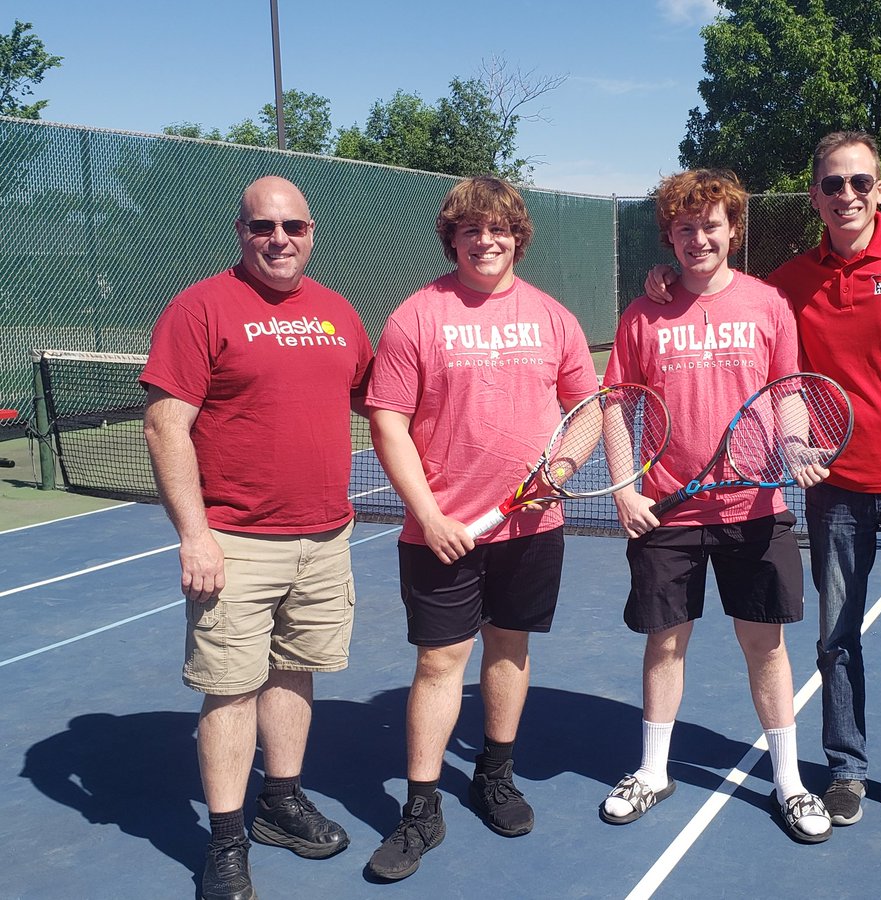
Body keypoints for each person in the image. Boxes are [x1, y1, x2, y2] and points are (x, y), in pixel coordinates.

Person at [645, 132, 881, 843]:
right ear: (815, 196)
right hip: (836, 493)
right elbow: (724, 301)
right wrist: (662, 279)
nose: (848, 195)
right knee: (835, 642)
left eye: (860, 182)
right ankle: (845, 772)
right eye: (833, 184)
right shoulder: (788, 282)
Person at [141, 176, 374, 900]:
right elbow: (164, 425)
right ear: (239, 232)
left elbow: (385, 401)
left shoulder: (339, 313)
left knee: (294, 673)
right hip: (234, 542)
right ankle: (227, 841)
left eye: (294, 226)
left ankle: (280, 803)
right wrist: (195, 535)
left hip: (325, 539)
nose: (280, 239)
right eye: (263, 226)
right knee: (230, 691)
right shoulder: (199, 307)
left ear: (312, 233)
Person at [365, 176, 597, 882]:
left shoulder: (554, 318)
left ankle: (494, 775)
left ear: (516, 236)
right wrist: (428, 515)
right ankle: (420, 809)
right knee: (439, 665)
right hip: (442, 533)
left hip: (531, 527)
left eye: (498, 229)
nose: (486, 240)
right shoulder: (416, 316)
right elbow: (387, 420)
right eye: (471, 229)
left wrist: (564, 463)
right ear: (453, 238)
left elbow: (588, 405)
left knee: (509, 649)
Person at [602, 169, 833, 844]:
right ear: (668, 236)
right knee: (664, 643)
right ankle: (652, 772)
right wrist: (624, 487)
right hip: (668, 513)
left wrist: (794, 446)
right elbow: (618, 404)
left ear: (733, 229)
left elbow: (788, 390)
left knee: (765, 645)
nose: (698, 238)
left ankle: (789, 782)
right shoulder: (644, 312)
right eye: (684, 228)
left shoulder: (766, 305)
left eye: (711, 225)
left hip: (754, 510)